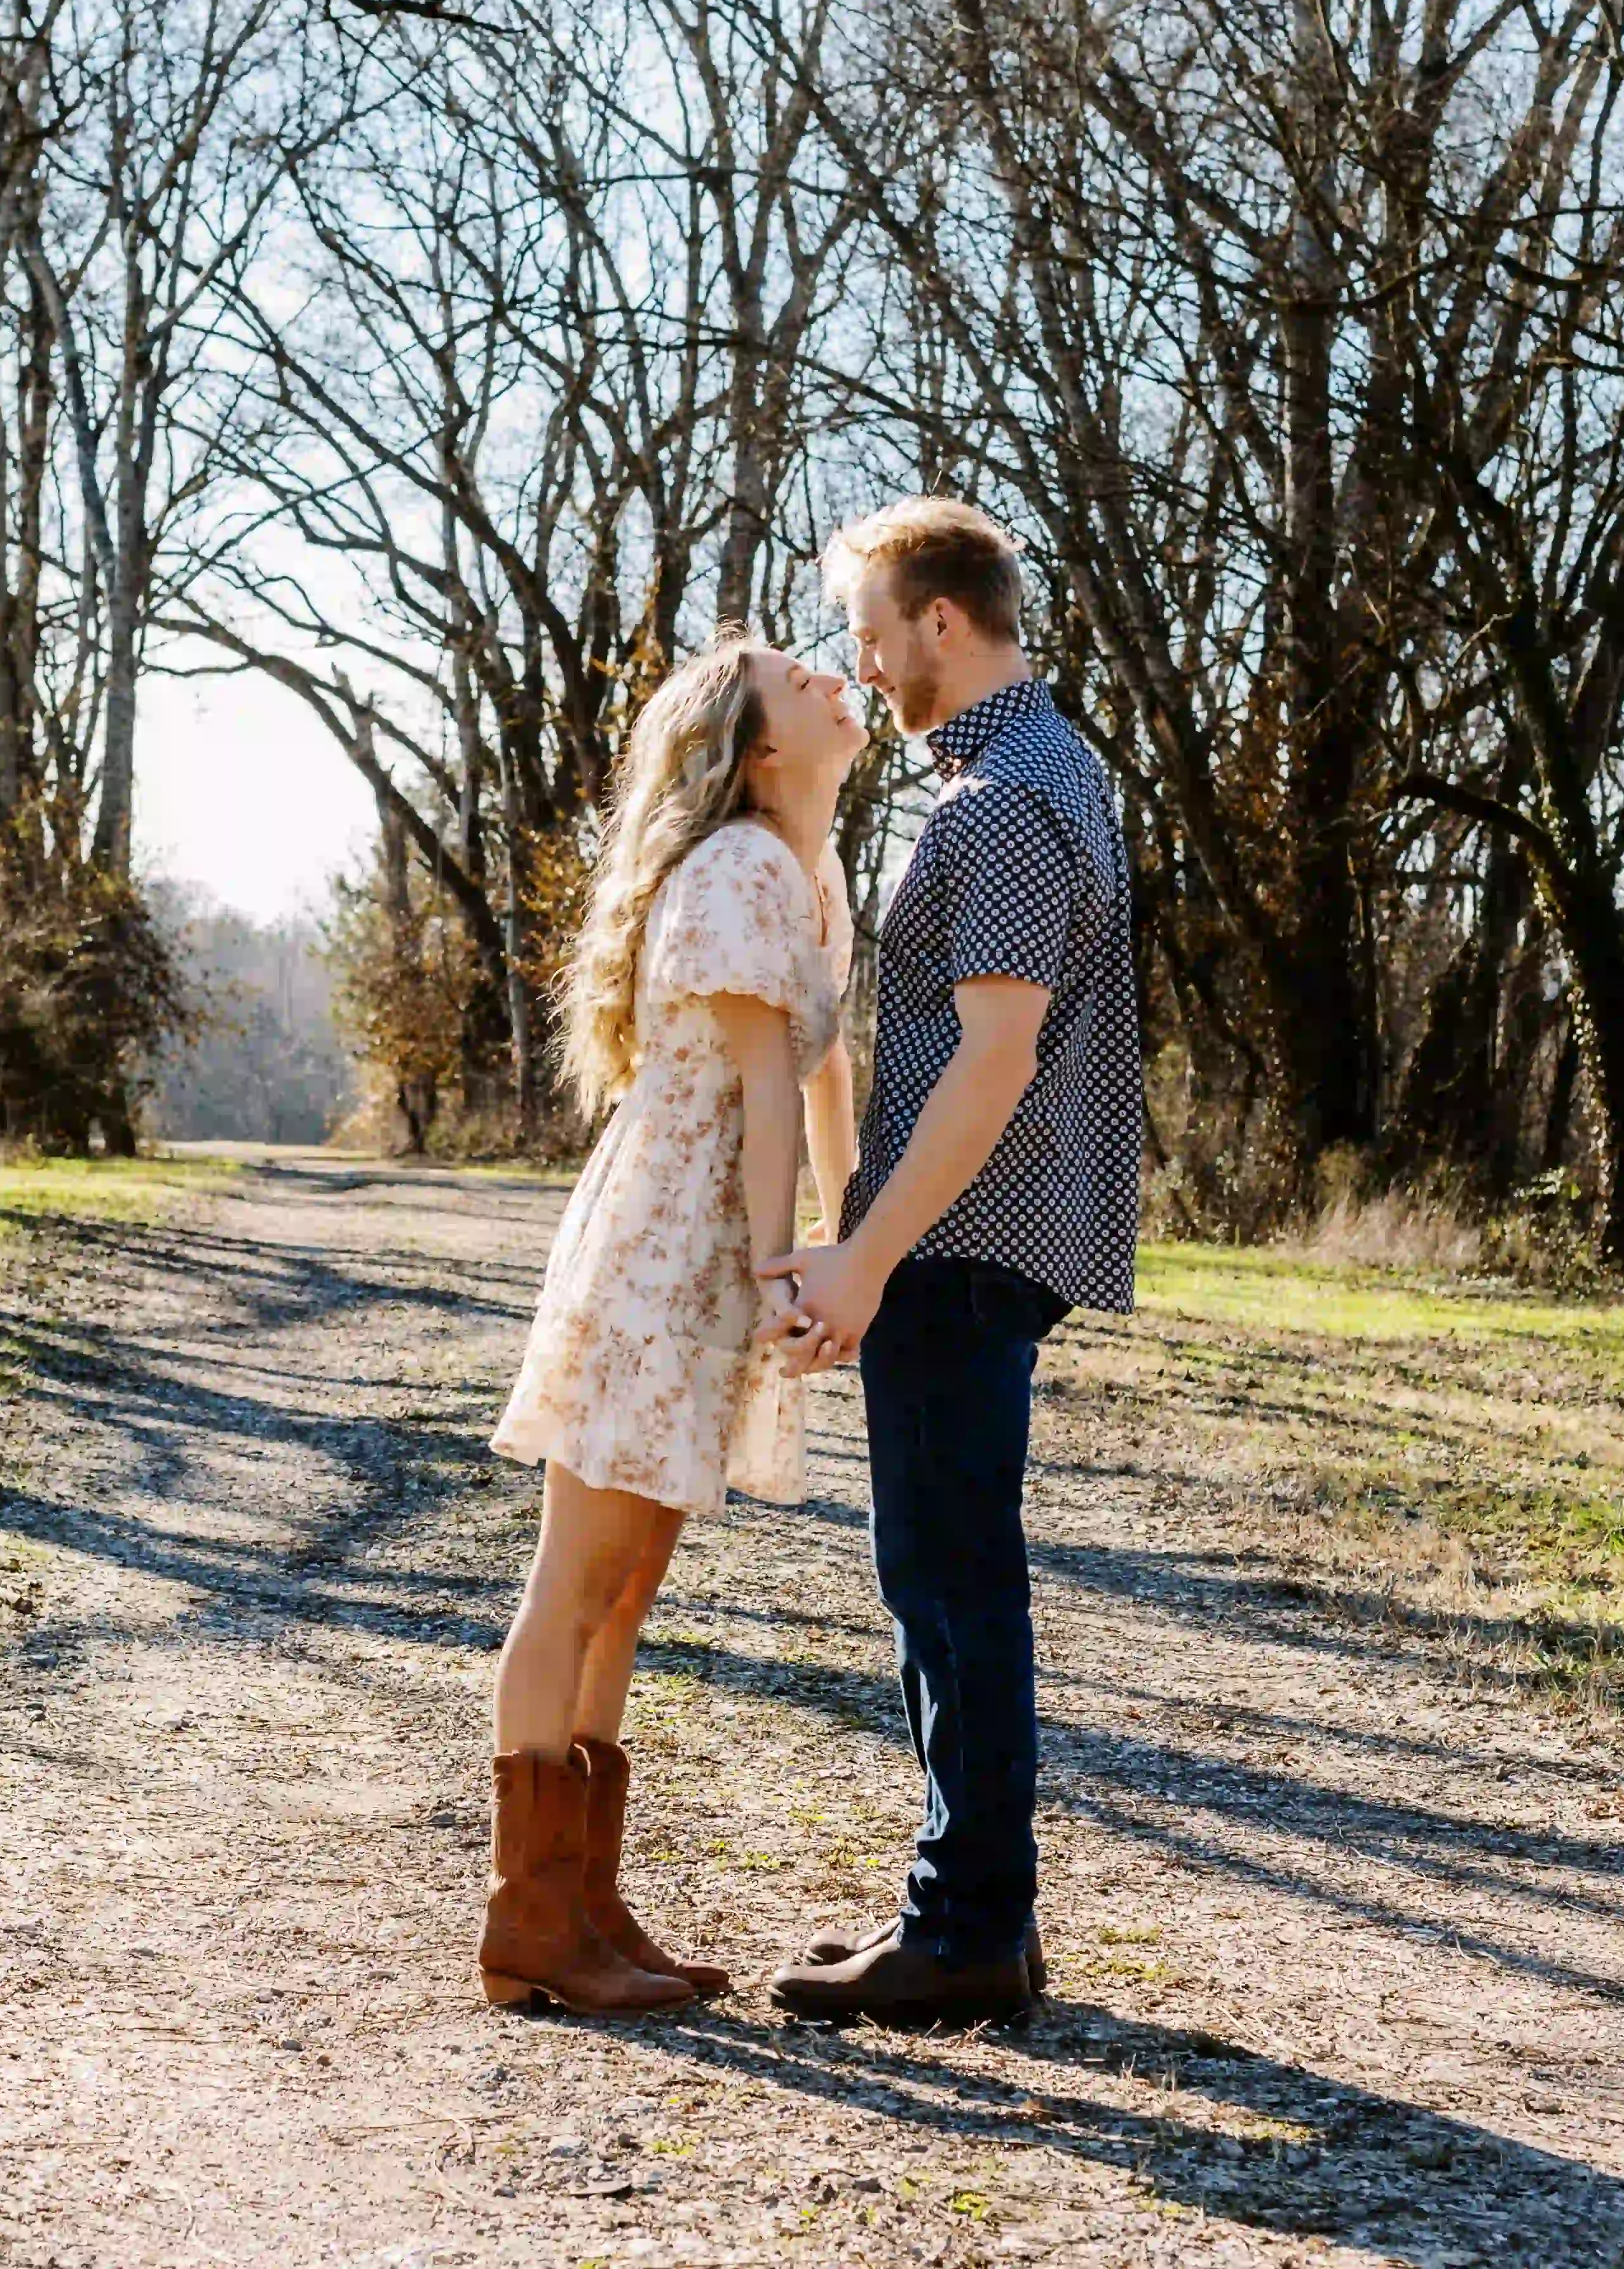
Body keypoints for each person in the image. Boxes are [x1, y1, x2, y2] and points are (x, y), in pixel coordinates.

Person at [758, 497, 1142, 2029]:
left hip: (960, 1245)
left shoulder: (993, 805)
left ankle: (969, 1931)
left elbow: (993, 1060)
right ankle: (979, 1916)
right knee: (953, 1579)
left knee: (951, 1585)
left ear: (938, 619)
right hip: (973, 1241)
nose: (855, 653)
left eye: (868, 620)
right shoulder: (1054, 770)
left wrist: (864, 1257)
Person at [475, 632, 861, 2013]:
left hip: (711, 1259)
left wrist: (850, 1237)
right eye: (800, 685)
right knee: (574, 1583)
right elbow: (760, 1081)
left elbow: (823, 1086)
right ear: (758, 752)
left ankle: (585, 1901)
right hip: (663, 1255)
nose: (834, 683)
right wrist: (782, 1274)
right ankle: (531, 1923)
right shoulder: (745, 866)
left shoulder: (810, 875)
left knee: (629, 1591)